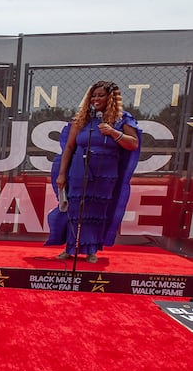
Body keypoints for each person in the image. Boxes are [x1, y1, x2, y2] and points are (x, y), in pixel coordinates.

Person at [46, 81, 141, 263]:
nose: (96, 99)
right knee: (76, 209)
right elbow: (69, 148)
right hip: (79, 170)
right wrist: (62, 174)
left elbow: (133, 143)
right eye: (93, 96)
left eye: (101, 95)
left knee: (97, 210)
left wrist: (114, 133)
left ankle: (91, 250)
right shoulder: (82, 119)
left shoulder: (122, 119)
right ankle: (70, 248)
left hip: (106, 172)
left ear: (111, 98)